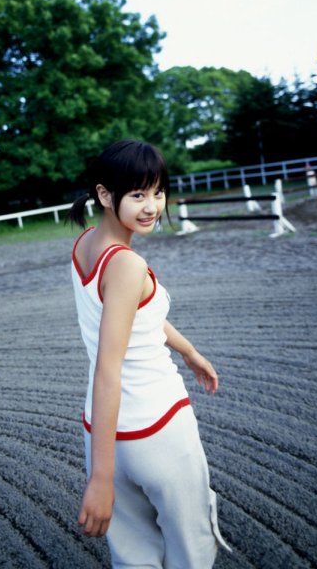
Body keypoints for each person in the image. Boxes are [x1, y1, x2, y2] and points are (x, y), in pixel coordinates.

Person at [68, 139, 231, 568]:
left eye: (158, 192)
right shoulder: (127, 265)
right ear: (105, 195)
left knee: (133, 555)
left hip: (101, 431)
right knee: (191, 547)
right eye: (138, 194)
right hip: (157, 429)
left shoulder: (85, 245)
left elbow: (132, 319)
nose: (152, 206)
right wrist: (99, 480)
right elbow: (109, 369)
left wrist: (188, 351)